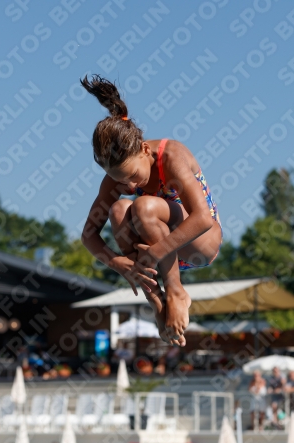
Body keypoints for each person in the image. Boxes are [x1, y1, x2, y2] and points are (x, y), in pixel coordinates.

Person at [80, 75, 222, 347]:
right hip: (158, 252)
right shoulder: (117, 177)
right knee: (120, 209)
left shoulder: (171, 157)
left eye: (133, 176)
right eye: (121, 180)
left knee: (143, 206)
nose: (129, 184)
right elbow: (88, 235)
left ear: (145, 149)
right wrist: (115, 262)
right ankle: (156, 299)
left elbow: (203, 218)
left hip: (200, 242)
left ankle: (177, 292)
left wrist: (156, 252)